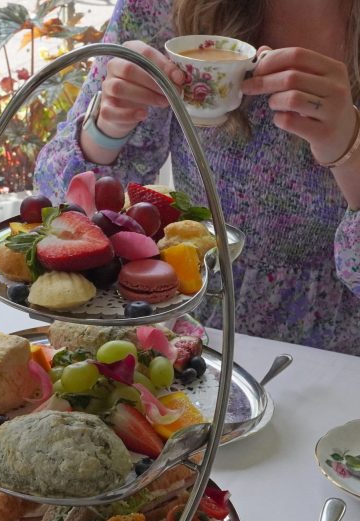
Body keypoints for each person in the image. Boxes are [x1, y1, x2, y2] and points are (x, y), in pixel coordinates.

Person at [35, 0, 360, 355]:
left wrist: (349, 148)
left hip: (341, 354)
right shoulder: (161, 6)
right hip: (193, 332)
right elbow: (61, 204)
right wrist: (108, 127)